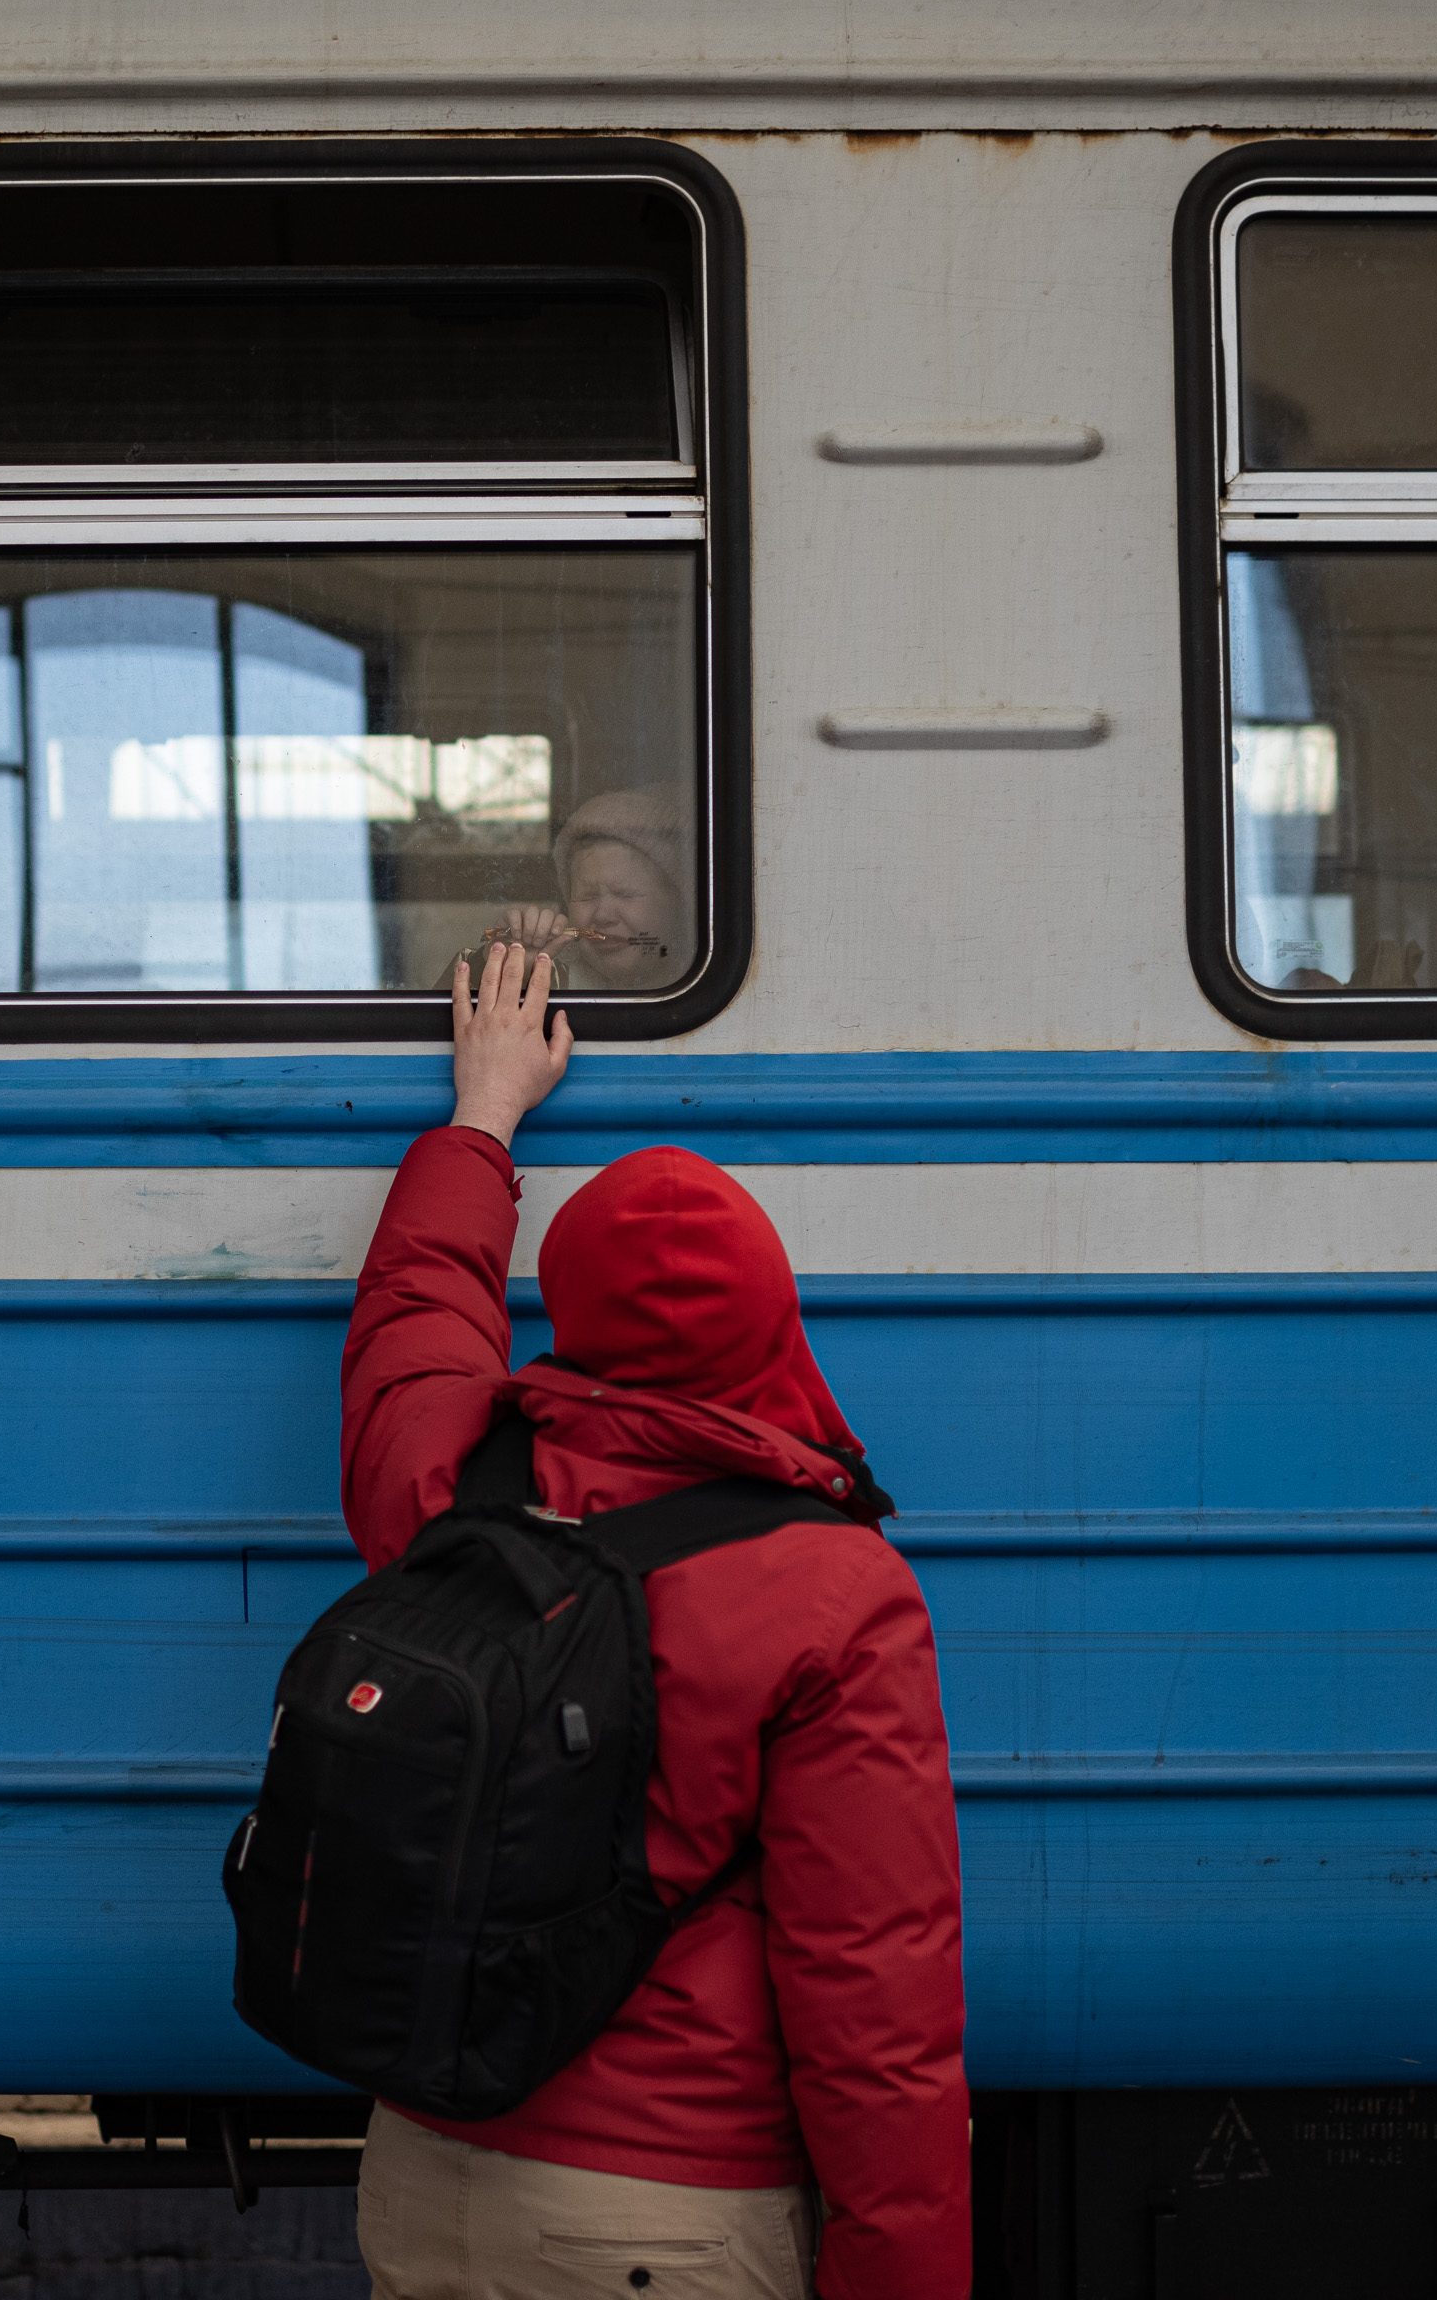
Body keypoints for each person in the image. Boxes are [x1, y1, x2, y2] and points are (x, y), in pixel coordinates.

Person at [338, 940, 970, 2300]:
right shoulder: (835, 1594)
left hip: (423, 2180)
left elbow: (416, 1321)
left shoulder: (453, 1485)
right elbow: (876, 2006)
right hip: (663, 2218)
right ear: (774, 1317)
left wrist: (482, 1120)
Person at [487, 789, 690, 991]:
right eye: (587, 896)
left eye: (625, 894)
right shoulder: (553, 979)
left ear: (677, 903)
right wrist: (512, 975)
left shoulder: (699, 981)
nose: (603, 915)